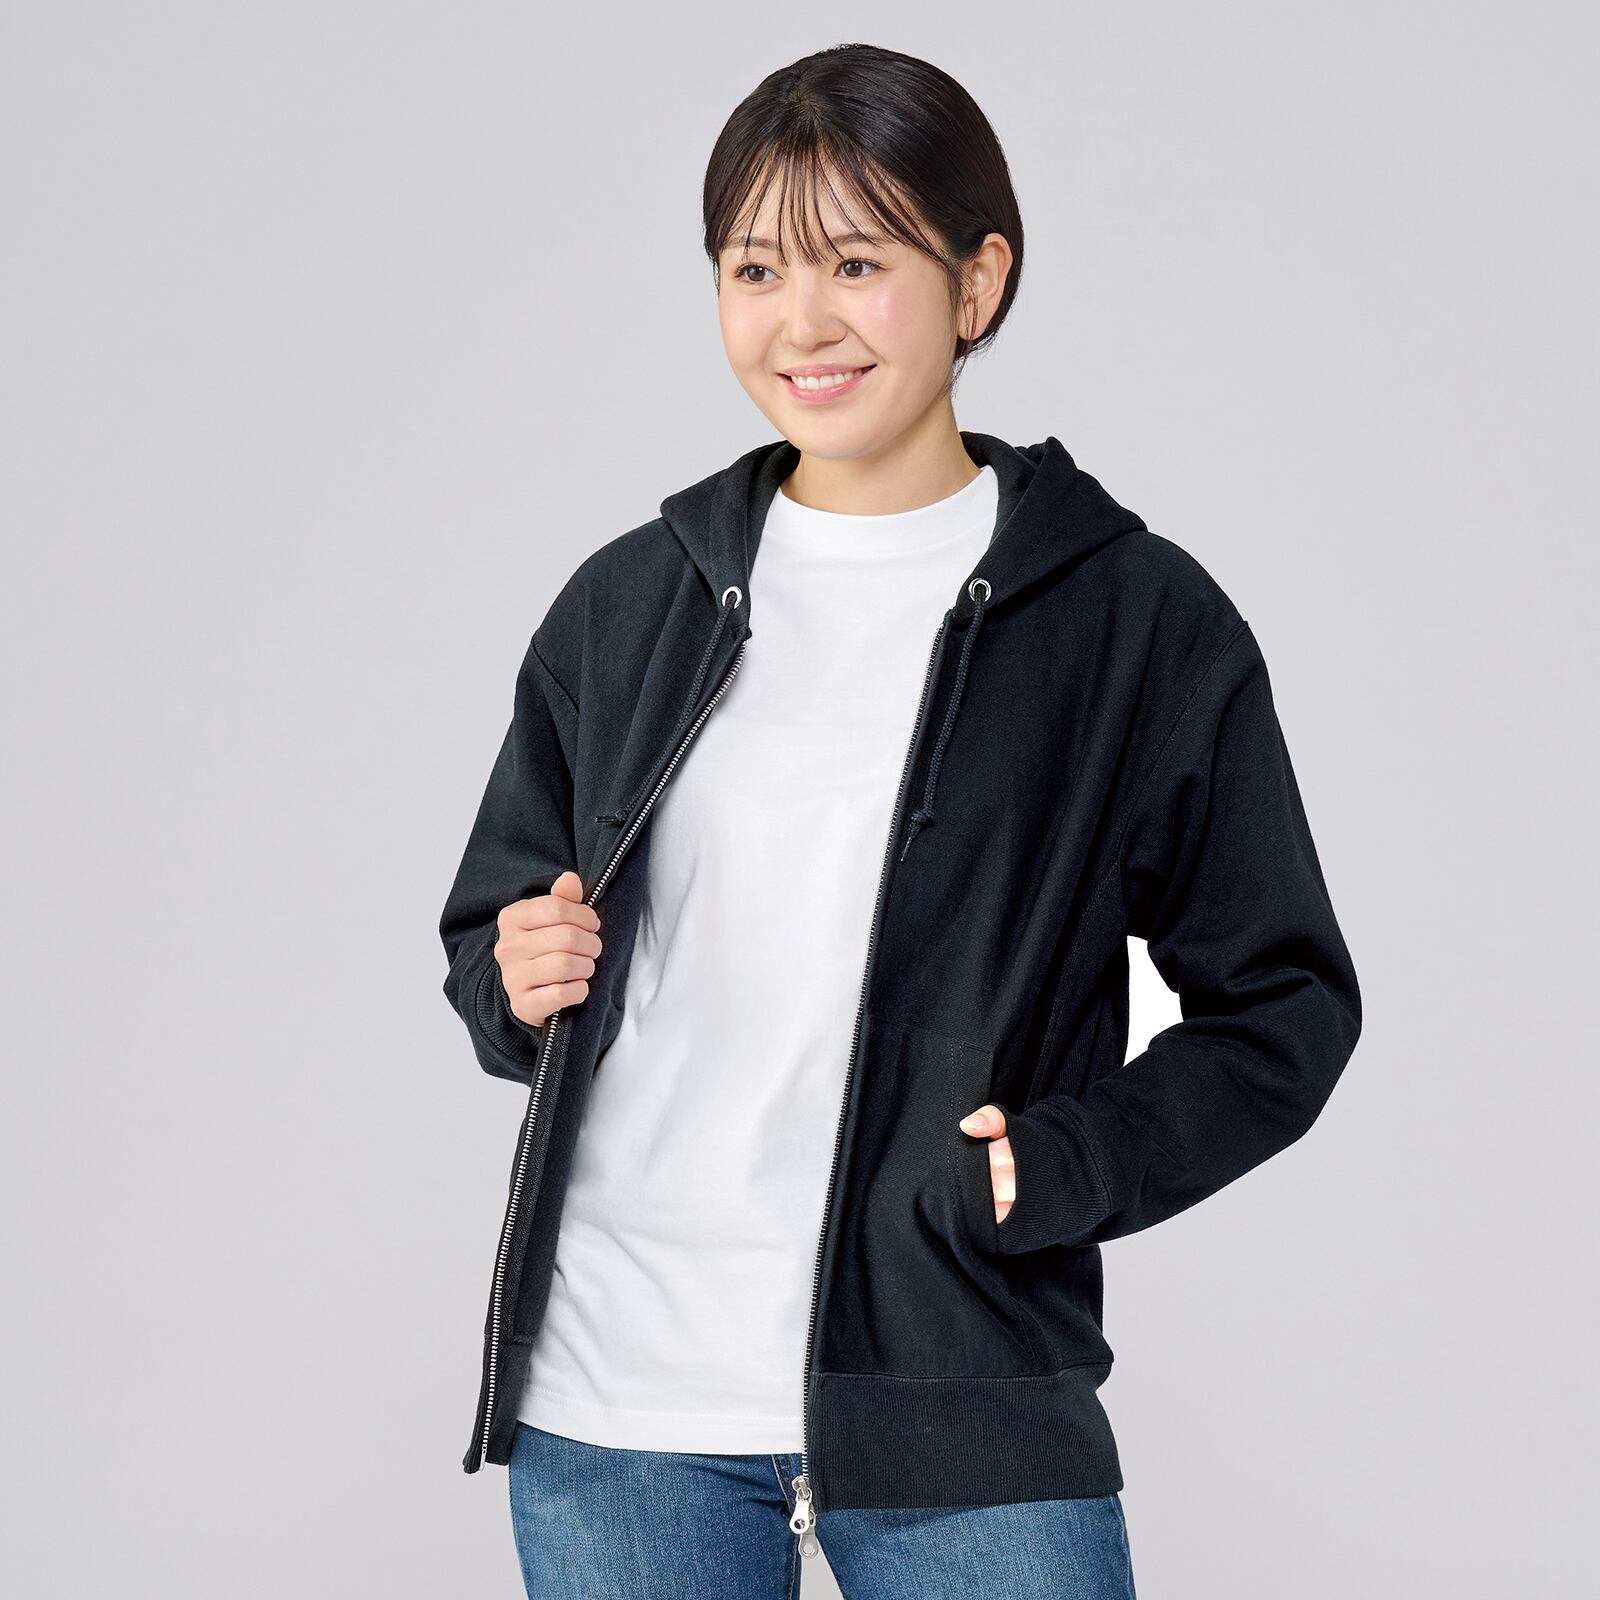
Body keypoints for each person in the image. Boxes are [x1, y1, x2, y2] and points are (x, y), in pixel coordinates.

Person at [437, 42, 1361, 1600]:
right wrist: (512, 978)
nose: (801, 323)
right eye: (755, 269)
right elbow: (499, 936)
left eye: (858, 264)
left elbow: (1285, 1003)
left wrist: (1069, 1161)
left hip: (958, 1377)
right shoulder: (632, 603)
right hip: (617, 1400)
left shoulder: (1131, 622)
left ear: (976, 281)